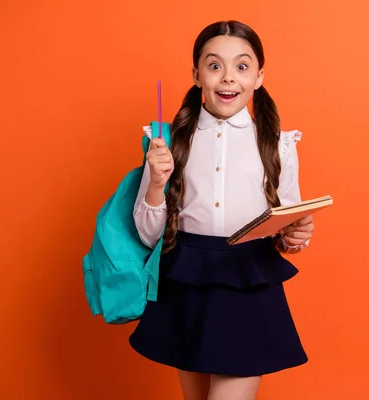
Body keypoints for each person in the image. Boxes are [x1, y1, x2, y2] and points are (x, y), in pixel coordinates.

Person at [129, 20, 315, 400]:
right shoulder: (167, 141)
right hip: (186, 280)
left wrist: (296, 235)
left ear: (259, 77)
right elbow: (149, 236)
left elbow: (286, 229)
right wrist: (155, 184)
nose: (228, 77)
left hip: (247, 281)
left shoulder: (278, 144)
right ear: (196, 74)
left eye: (242, 66)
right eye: (214, 66)